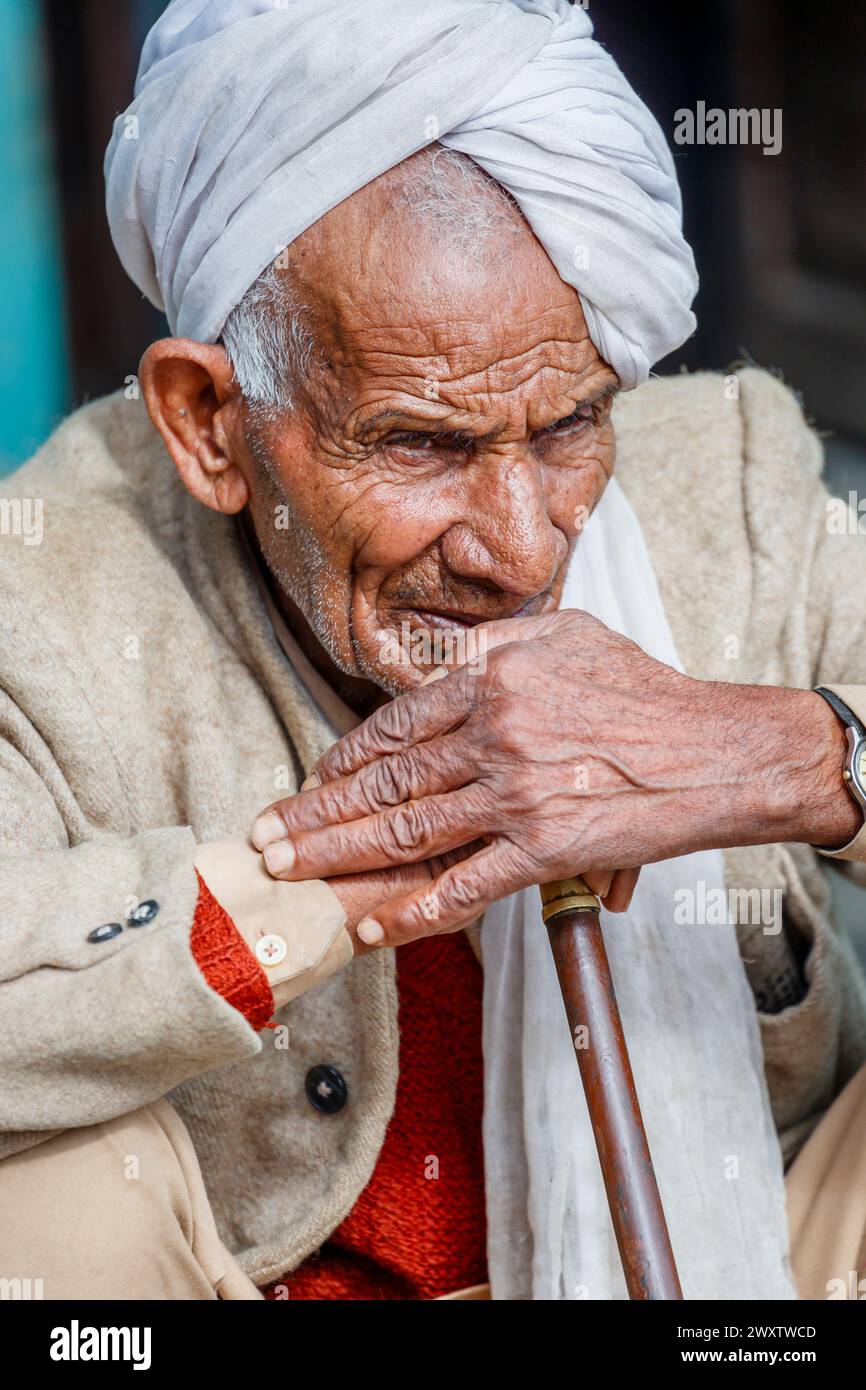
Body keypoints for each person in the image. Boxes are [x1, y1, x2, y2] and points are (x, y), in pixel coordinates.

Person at [1, 0, 864, 1301]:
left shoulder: (731, 481)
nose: (519, 549)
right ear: (210, 425)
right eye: (418, 445)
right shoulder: (48, 592)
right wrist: (340, 869)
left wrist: (788, 752)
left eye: (572, 420)